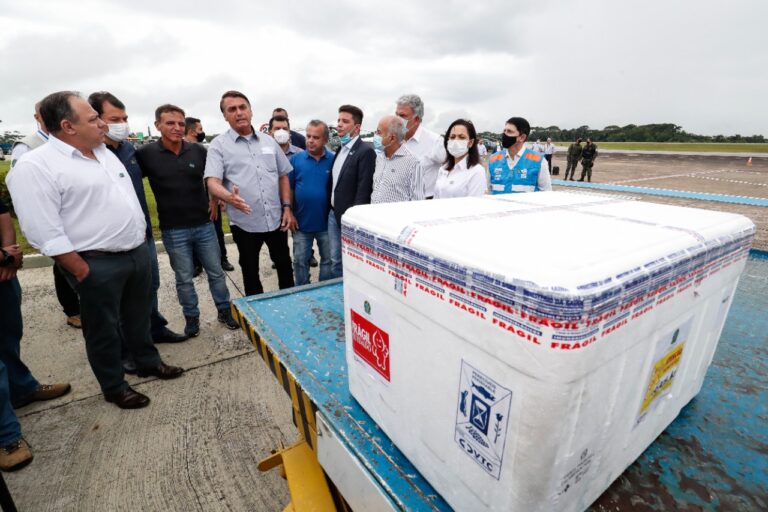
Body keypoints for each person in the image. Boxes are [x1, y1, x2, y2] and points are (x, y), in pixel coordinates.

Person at [7, 91, 184, 409]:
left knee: (138, 317)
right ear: (67, 126)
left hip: (136, 253)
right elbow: (39, 228)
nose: (102, 123)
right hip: (95, 263)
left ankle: (147, 361)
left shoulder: (102, 152)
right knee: (103, 329)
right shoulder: (36, 166)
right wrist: (78, 267)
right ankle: (114, 386)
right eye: (93, 118)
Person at [88, 91, 187, 348]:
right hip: (113, 242)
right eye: (115, 119)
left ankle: (154, 328)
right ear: (97, 118)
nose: (122, 124)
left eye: (125, 118)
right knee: (123, 296)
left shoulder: (129, 149)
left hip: (142, 234)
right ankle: (128, 345)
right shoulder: (92, 154)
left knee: (150, 285)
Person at [136, 105, 239, 337]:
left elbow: (213, 177)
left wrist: (215, 198)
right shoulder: (146, 154)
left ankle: (224, 311)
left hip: (204, 225)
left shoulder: (198, 151)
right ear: (157, 125)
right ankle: (191, 318)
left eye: (180, 123)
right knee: (183, 279)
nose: (176, 128)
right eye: (170, 123)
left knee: (216, 272)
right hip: (173, 230)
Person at [0, 197, 71, 471]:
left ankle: (22, 389)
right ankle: (7, 436)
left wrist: (8, 252)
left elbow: (2, 214)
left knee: (9, 337)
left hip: (3, 274)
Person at [205, 91, 297, 296]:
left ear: (251, 111)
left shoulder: (269, 141)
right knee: (250, 271)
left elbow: (283, 175)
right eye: (232, 109)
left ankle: (291, 307)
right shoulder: (218, 146)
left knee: (284, 266)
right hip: (244, 223)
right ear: (225, 115)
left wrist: (287, 208)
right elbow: (212, 182)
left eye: (242, 107)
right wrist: (228, 197)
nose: (238, 113)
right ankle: (257, 318)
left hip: (276, 219)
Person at [10, 103, 81, 329]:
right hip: (53, 216)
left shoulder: (66, 139)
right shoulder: (27, 146)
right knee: (63, 264)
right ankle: (72, 311)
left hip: (75, 214)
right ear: (37, 117)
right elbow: (23, 186)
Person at [327, 105, 376, 278]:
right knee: (336, 260)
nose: (339, 124)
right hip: (333, 215)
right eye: (339, 120)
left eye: (345, 121)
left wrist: (353, 221)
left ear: (357, 127)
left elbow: (363, 190)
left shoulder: (366, 152)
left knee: (351, 263)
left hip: (349, 219)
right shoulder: (341, 148)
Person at [184, 117, 235, 273]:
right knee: (192, 233)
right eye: (200, 129)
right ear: (192, 131)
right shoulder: (181, 151)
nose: (202, 132)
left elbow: (214, 174)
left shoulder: (204, 150)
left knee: (217, 230)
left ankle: (222, 259)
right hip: (190, 201)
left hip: (210, 198)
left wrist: (217, 197)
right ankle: (197, 264)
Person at [289, 120, 333, 285]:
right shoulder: (295, 160)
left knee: (328, 260)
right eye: (308, 136)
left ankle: (324, 289)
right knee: (300, 261)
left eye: (316, 137)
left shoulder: (333, 160)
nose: (310, 140)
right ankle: (302, 292)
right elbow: (290, 189)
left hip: (327, 224)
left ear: (325, 140)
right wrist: (290, 213)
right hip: (301, 224)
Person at [395, 94, 446, 199]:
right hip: (397, 201)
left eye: (402, 116)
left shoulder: (435, 142)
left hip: (424, 203)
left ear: (417, 119)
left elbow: (451, 172)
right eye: (396, 114)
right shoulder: (393, 139)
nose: (397, 119)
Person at [489, 117, 552, 194]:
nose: (504, 134)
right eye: (504, 131)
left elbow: (546, 194)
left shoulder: (539, 161)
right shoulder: (493, 160)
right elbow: (487, 192)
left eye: (509, 131)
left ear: (522, 137)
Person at [371, 116, 424, 204]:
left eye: (379, 132)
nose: (375, 135)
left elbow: (418, 202)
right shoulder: (380, 158)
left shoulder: (413, 163)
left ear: (392, 138)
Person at [434, 119, 486, 199]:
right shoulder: (443, 169)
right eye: (452, 137)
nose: (456, 141)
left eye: (461, 137)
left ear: (470, 142)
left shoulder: (476, 171)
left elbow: (474, 206)